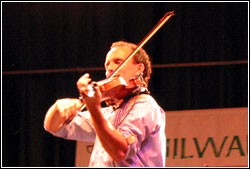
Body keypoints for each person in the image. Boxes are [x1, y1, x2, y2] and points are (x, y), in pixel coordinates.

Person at [43, 41, 166, 167]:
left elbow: (119, 151)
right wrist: (58, 108)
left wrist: (94, 108)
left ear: (139, 68)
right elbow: (54, 127)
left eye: (118, 62)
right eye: (107, 65)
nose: (110, 69)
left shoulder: (145, 105)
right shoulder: (109, 114)